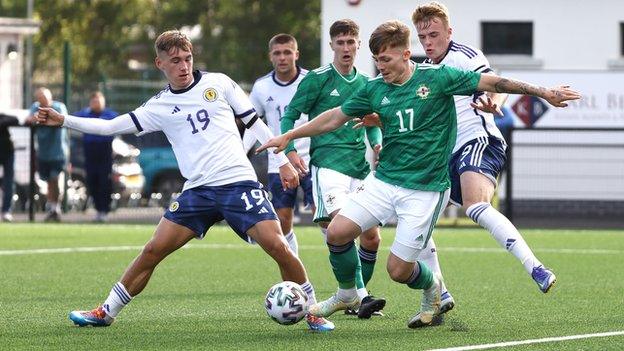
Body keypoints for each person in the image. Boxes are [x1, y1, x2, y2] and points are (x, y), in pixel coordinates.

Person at [257, 20, 579, 328]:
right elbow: (334, 117)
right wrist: (291, 136)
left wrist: (543, 91)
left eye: (385, 59)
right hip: (384, 182)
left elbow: (493, 82)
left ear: (405, 54)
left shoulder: (437, 77)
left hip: (424, 190)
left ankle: (433, 288)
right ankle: (347, 294)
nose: (380, 66)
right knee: (337, 232)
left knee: (398, 270)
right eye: (376, 60)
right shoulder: (374, 88)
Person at [35, 29, 335, 332]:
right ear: (159, 64)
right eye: (175, 61)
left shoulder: (220, 83)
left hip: (238, 183)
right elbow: (110, 126)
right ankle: (106, 311)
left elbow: (254, 123)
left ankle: (312, 311)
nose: (183, 66)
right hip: (198, 192)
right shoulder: (159, 106)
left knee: (278, 246)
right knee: (153, 250)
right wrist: (64, 120)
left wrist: (283, 161)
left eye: (187, 58)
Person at [409, 2, 557, 313]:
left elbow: (494, 82)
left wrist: (493, 102)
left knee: (475, 206)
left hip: (478, 141)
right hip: (443, 156)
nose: (428, 42)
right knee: (415, 223)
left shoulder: (465, 55)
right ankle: (441, 293)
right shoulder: (425, 71)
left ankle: (536, 267)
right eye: (422, 37)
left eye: (434, 34)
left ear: (449, 32)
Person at [278, 19, 385, 319]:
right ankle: (361, 296)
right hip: (328, 168)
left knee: (372, 237)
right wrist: (288, 151)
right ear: (332, 46)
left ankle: (353, 298)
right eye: (341, 43)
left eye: (351, 42)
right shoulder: (317, 79)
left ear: (359, 44)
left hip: (359, 169)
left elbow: (371, 122)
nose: (346, 48)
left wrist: (376, 143)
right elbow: (289, 116)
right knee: (343, 228)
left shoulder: (367, 82)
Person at [242, 33, 313, 258]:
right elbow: (252, 123)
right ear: (270, 56)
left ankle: (344, 277)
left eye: (287, 52)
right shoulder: (262, 87)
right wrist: (241, 153)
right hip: (279, 162)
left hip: (312, 159)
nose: (282, 57)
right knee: (282, 221)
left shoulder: (310, 80)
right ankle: (296, 273)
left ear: (296, 54)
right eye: (277, 53)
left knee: (324, 218)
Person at [74, 91, 119, 222]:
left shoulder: (110, 115)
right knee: (92, 181)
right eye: (94, 101)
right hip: (90, 153)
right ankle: (98, 209)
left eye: (99, 101)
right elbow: (73, 119)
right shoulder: (85, 114)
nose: (96, 104)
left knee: (104, 182)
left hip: (104, 152)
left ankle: (104, 210)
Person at [27, 87, 68, 222]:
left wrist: (40, 119)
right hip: (43, 152)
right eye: (40, 98)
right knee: (47, 181)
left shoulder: (59, 107)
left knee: (54, 179)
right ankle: (51, 207)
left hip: (57, 152)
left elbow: (58, 120)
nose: (42, 100)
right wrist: (37, 119)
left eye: (44, 97)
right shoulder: (35, 107)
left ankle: (55, 208)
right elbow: (30, 119)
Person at [0, 112, 19, 222]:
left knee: (9, 182)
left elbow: (15, 119)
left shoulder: (2, 117)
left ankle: (6, 211)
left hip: (7, 153)